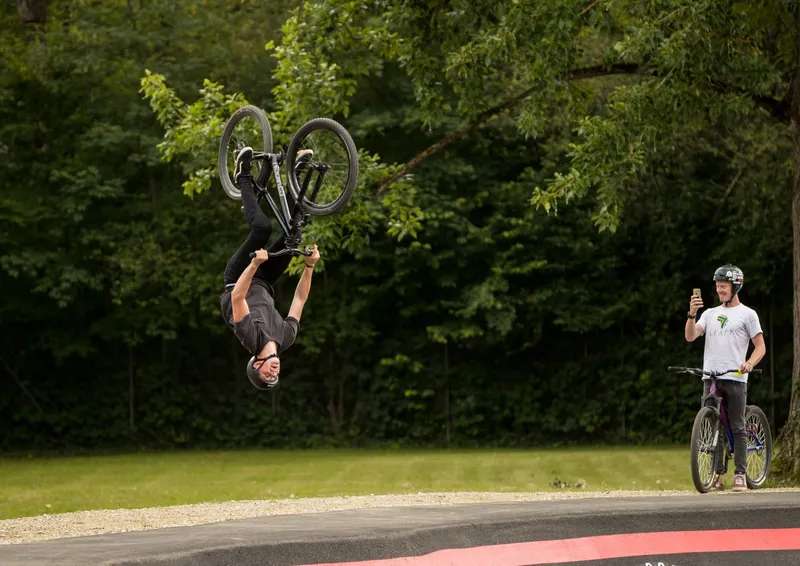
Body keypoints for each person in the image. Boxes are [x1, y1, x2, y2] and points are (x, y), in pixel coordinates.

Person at [219, 147, 320, 390]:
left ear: (256, 365)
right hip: (264, 280)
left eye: (267, 376)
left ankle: (243, 174)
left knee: (262, 229)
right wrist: (309, 267)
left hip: (239, 277)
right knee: (293, 233)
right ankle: (297, 174)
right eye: (275, 377)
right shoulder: (286, 338)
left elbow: (237, 296)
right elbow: (299, 299)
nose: (273, 373)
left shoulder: (249, 338)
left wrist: (253, 264)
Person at [684, 264, 766, 492]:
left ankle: (740, 474)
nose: (719, 290)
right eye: (718, 287)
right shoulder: (709, 314)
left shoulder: (748, 315)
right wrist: (692, 314)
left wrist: (749, 363)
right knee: (712, 425)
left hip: (736, 378)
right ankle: (716, 475)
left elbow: (760, 347)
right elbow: (690, 336)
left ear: (735, 286)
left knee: (737, 425)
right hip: (710, 378)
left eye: (723, 287)